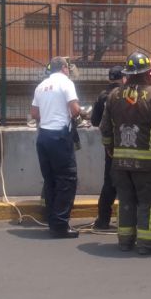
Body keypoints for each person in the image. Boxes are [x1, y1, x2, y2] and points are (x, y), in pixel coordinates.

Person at [100, 52, 151, 255]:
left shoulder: (114, 95)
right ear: (147, 73)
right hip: (148, 164)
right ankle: (147, 244)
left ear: (127, 73)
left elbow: (105, 127)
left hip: (120, 163)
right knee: (148, 202)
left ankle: (125, 241)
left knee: (126, 201)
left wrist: (110, 147)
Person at [30, 56, 81, 238]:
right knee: (66, 180)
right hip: (59, 136)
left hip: (43, 137)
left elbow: (34, 113)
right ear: (64, 68)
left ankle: (53, 221)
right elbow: (75, 110)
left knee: (50, 180)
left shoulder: (41, 86)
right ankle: (60, 225)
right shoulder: (66, 83)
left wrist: (49, 115)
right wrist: (79, 113)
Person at [90, 65, 124, 230]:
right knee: (128, 183)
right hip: (129, 143)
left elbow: (95, 121)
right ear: (123, 77)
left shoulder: (102, 96)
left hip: (110, 146)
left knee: (109, 182)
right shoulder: (126, 94)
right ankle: (127, 220)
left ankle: (103, 220)